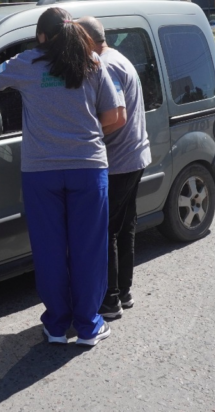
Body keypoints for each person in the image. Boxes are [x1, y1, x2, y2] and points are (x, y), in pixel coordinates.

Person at [0, 7, 122, 347]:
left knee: (50, 250)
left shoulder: (26, 62)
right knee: (89, 250)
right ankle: (88, 326)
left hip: (41, 173)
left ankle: (56, 326)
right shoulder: (92, 63)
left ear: (41, 36)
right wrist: (81, 133)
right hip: (88, 168)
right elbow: (113, 116)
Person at [75, 16, 151, 320]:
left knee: (105, 232)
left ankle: (109, 301)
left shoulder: (104, 65)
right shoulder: (118, 58)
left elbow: (115, 116)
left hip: (118, 162)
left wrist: (85, 137)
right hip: (133, 157)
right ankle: (124, 291)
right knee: (124, 228)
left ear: (88, 40)